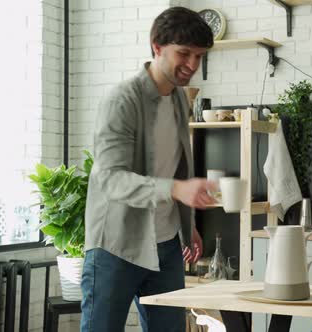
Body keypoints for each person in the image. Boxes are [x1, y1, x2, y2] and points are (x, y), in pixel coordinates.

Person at [81, 7, 216, 332]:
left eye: (199, 56)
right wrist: (174, 189)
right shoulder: (122, 101)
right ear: (157, 46)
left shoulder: (180, 100)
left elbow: (177, 165)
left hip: (167, 244)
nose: (193, 65)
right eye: (184, 54)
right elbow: (112, 178)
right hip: (117, 243)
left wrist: (189, 224)